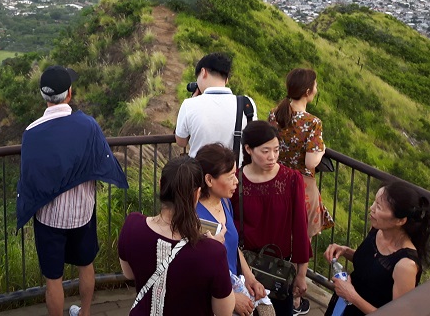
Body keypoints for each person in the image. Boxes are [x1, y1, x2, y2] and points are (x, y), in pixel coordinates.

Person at [17, 65, 128, 316]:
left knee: (53, 279)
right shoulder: (88, 126)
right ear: (69, 93)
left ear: (44, 96)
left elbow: (30, 178)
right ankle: (85, 312)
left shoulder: (32, 133)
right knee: (86, 265)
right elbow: (101, 162)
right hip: (82, 214)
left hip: (49, 217)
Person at [118, 155, 235, 316]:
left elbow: (128, 273)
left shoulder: (132, 225)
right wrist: (214, 248)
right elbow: (224, 311)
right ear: (197, 194)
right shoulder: (213, 252)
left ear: (161, 185)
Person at [268, 68, 334, 314]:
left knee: (279, 235)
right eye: (315, 86)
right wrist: (322, 147)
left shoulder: (274, 115)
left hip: (275, 182)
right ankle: (295, 299)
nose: (316, 89)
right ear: (308, 91)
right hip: (301, 187)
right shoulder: (312, 123)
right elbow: (310, 163)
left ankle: (274, 286)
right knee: (301, 240)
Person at [232, 121, 311, 316]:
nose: (272, 157)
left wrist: (301, 274)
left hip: (278, 270)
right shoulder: (236, 180)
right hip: (245, 269)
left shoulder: (292, 179)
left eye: (276, 150)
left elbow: (300, 227)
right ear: (248, 149)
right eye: (265, 151)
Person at [323, 182, 430, 316]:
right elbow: (373, 265)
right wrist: (345, 251)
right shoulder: (377, 230)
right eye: (374, 202)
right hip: (342, 308)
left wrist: (351, 296)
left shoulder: (406, 265)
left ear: (400, 220)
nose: (371, 208)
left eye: (379, 207)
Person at [195, 143, 268, 316]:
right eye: (230, 177)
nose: (236, 181)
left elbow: (232, 247)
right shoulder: (195, 216)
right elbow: (197, 273)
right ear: (209, 180)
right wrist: (232, 298)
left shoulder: (225, 202)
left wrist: (250, 278)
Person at [175, 52, 257, 161]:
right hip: (235, 175)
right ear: (226, 80)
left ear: (203, 72)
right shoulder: (247, 103)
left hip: (201, 175)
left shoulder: (189, 105)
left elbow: (181, 142)